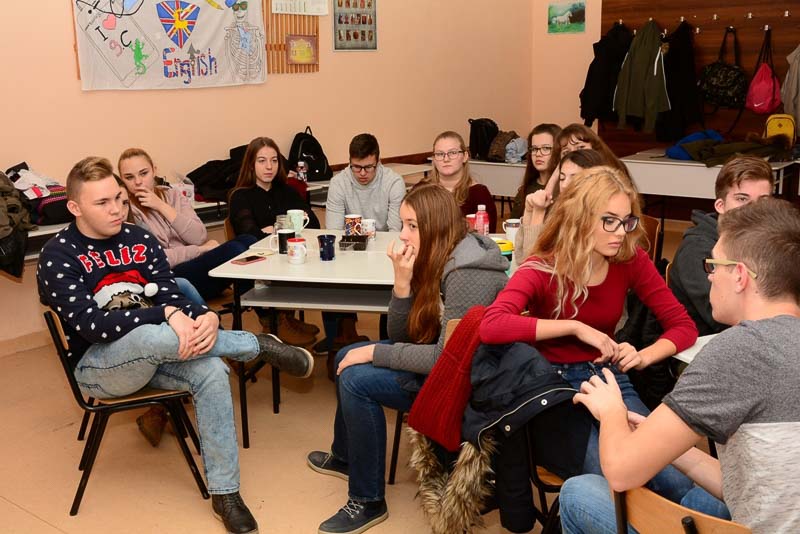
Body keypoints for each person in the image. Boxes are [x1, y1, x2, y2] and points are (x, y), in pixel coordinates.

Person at [37, 157, 315, 534]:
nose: (117, 209)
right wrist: (164, 314)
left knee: (211, 370)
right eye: (102, 203)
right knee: (152, 333)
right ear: (75, 208)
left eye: (119, 198)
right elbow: (95, 325)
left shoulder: (138, 238)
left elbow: (173, 294)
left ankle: (225, 494)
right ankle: (251, 345)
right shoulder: (58, 254)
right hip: (100, 366)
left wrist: (206, 317)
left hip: (162, 352)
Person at [559, 198, 800, 533]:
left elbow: (621, 472)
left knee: (579, 492)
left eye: (713, 265)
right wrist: (669, 447)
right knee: (696, 500)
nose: (710, 277)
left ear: (740, 276)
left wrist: (612, 411)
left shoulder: (739, 351)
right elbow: (756, 485)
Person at [480, 167, 698, 502]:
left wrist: (643, 356)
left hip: (607, 379)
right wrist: (574, 327)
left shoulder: (629, 260)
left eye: (626, 221)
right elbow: (491, 325)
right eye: (609, 221)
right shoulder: (543, 267)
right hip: (553, 388)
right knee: (623, 482)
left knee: (675, 480)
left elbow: (683, 326)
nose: (620, 232)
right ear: (580, 219)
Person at [306, 184, 509, 534]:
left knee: (355, 379)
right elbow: (404, 336)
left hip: (465, 385)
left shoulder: (467, 272)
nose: (402, 234)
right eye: (403, 224)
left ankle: (368, 500)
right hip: (448, 366)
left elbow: (446, 359)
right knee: (347, 354)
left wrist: (374, 351)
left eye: (412, 225)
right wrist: (401, 285)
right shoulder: (440, 252)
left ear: (436, 225)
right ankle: (346, 456)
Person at [118, 148, 257, 301]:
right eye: (129, 177)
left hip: (196, 266)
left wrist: (161, 206)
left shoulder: (172, 194)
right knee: (235, 249)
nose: (138, 182)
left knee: (249, 241)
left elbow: (198, 236)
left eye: (144, 173)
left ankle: (253, 307)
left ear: (154, 170)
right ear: (122, 180)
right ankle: (248, 305)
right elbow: (157, 259)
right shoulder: (125, 210)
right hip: (171, 277)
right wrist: (201, 249)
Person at [228, 136, 321, 346]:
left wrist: (273, 230)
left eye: (274, 160)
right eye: (262, 161)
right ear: (251, 164)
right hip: (259, 264)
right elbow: (250, 236)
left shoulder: (287, 190)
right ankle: (274, 321)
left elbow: (313, 223)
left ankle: (286, 317)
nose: (269, 167)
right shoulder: (240, 196)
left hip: (289, 258)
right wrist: (285, 230)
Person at [320, 133, 407, 355]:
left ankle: (387, 346)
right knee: (329, 282)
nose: (362, 173)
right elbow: (334, 230)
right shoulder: (339, 182)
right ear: (349, 162)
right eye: (356, 167)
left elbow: (395, 232)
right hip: (349, 252)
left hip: (385, 252)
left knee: (394, 292)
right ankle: (337, 341)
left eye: (368, 167)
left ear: (378, 161)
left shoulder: (393, 182)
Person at [670, 156, 774, 336]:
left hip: (749, 335)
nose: (754, 210)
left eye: (763, 201)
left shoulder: (761, 242)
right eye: (742, 199)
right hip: (699, 344)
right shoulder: (697, 249)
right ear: (720, 205)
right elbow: (721, 319)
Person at [514, 149, 606, 265]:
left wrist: (538, 212)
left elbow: (533, 264)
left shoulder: (596, 221)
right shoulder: (562, 214)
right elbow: (521, 259)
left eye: (574, 178)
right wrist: (529, 211)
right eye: (562, 178)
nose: (565, 185)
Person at [419, 131, 498, 233]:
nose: (446, 159)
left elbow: (488, 236)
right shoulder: (421, 190)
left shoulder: (479, 193)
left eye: (453, 153)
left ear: (465, 156)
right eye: (440, 154)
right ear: (434, 159)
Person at [509, 123, 561, 219]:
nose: (538, 154)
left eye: (546, 148)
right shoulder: (526, 189)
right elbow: (514, 224)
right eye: (534, 149)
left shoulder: (564, 187)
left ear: (558, 150)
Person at [553, 123, 629, 177]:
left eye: (580, 147)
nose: (574, 154)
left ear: (595, 147)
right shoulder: (562, 176)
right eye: (566, 152)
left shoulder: (612, 174)